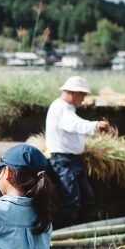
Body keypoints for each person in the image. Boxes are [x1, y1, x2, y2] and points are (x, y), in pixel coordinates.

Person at [45, 76, 110, 227]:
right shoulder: (60, 107)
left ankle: (87, 228)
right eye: (82, 95)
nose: (83, 99)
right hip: (63, 161)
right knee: (71, 201)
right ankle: (69, 232)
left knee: (87, 197)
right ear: (73, 93)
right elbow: (74, 124)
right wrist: (95, 126)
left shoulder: (67, 108)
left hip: (73, 160)